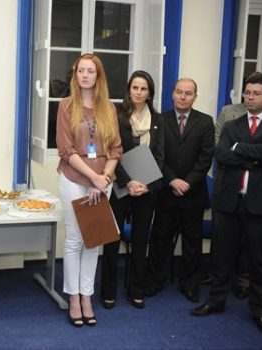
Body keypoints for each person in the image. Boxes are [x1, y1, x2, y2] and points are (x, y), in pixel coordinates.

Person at [191, 73, 262, 335]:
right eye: (247, 93)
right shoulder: (232, 125)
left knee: (260, 262)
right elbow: (222, 155)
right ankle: (216, 301)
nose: (249, 98)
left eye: (256, 93)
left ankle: (261, 311)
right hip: (229, 201)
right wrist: (257, 154)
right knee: (221, 257)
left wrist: (241, 149)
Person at [56, 53, 122, 327]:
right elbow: (66, 150)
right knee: (74, 240)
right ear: (75, 75)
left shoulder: (109, 108)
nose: (85, 75)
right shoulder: (66, 106)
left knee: (92, 240)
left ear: (98, 76)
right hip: (74, 178)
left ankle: (87, 296)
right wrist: (93, 177)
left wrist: (104, 177)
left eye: (90, 71)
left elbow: (116, 148)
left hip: (102, 180)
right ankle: (73, 297)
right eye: (80, 71)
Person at [145, 78, 215, 303]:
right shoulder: (160, 120)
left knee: (192, 242)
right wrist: (173, 180)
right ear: (172, 94)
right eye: (179, 92)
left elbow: (206, 158)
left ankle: (190, 284)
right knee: (160, 238)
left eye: (188, 93)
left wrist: (188, 182)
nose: (183, 96)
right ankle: (155, 280)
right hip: (166, 191)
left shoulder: (205, 122)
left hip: (193, 194)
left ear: (195, 96)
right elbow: (157, 156)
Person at [100, 70, 164, 310]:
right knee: (111, 239)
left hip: (147, 190)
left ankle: (136, 289)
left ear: (150, 93)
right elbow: (110, 152)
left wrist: (145, 183)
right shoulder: (116, 116)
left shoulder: (159, 121)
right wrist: (128, 182)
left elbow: (160, 156)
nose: (138, 92)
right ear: (129, 90)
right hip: (120, 186)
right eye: (134, 88)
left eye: (143, 88)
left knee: (139, 241)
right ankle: (108, 291)